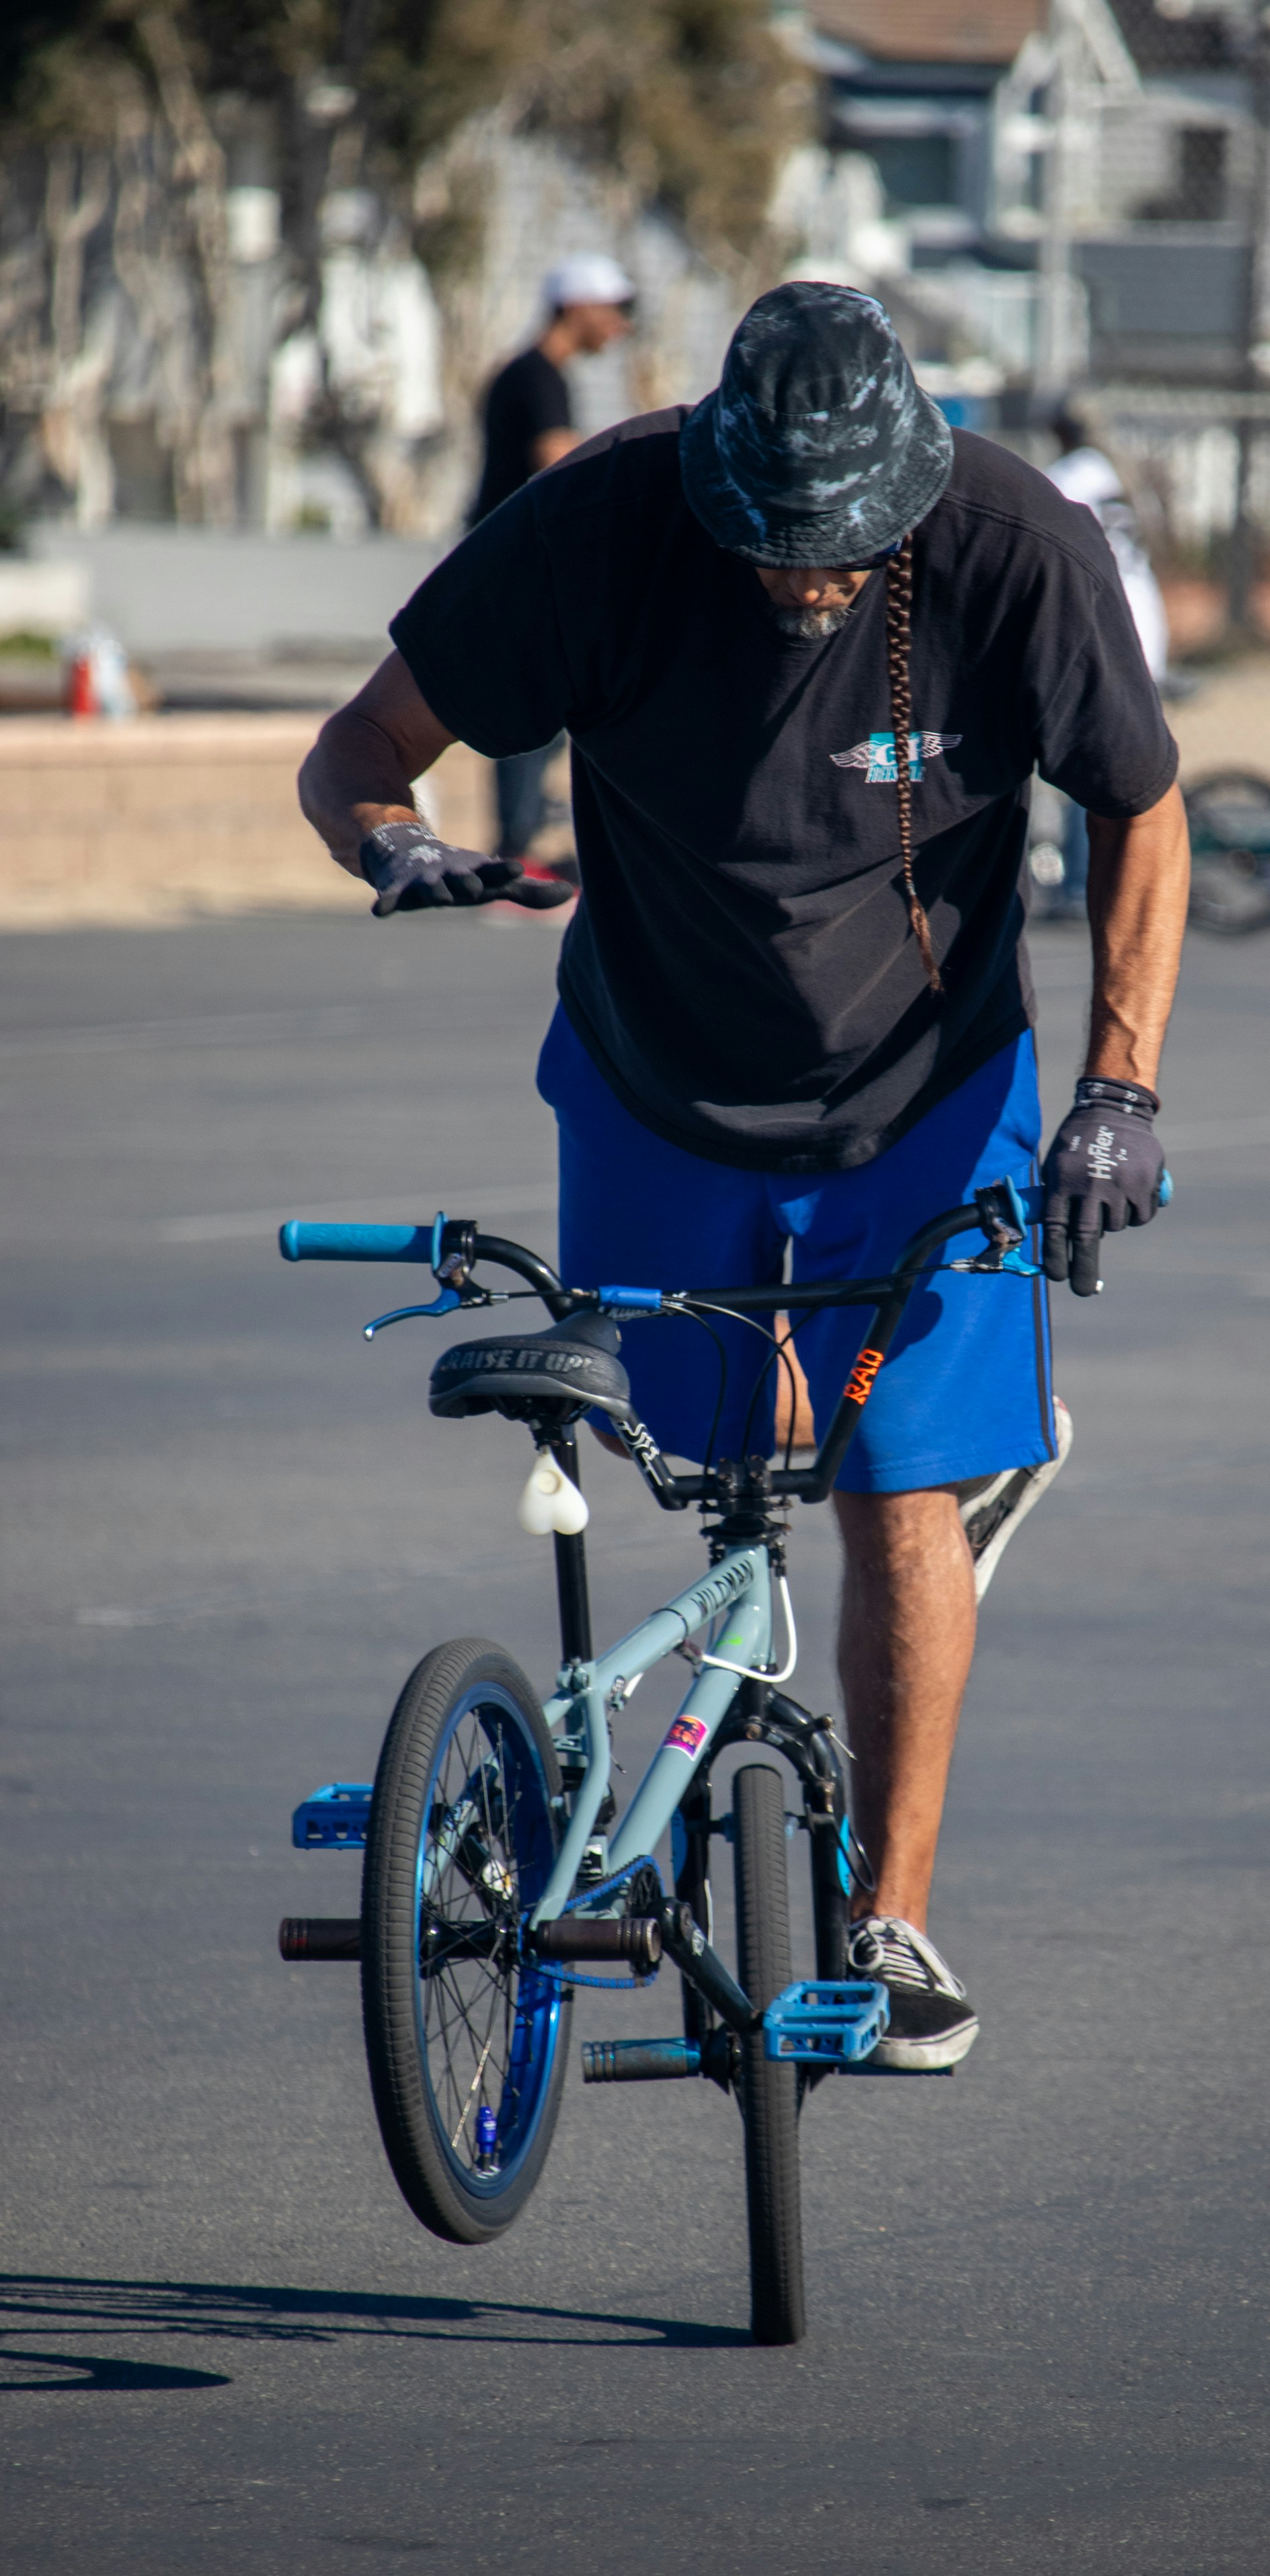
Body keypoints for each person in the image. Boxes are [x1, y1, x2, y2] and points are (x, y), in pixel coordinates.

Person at [298, 283, 1189, 2072]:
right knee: (710, 1469)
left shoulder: (1017, 546)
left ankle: (887, 1920)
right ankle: (895, 1470)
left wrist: (1120, 1089)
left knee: (891, 1489)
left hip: (927, 1093)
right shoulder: (601, 526)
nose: (804, 578)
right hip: (657, 1076)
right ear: (711, 478)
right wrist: (390, 845)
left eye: (839, 551)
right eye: (772, 545)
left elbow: (1138, 809)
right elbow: (357, 752)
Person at [469, 253, 636, 864]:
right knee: (529, 702)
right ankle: (517, 850)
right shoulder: (537, 375)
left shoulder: (536, 373)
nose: (621, 326)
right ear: (579, 308)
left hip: (517, 564)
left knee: (551, 703)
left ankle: (526, 836)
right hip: (516, 568)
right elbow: (557, 461)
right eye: (616, 310)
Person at [1043, 409, 1170, 917]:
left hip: (1108, 625)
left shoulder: (1068, 476)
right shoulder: (1114, 477)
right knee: (1128, 758)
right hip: (1147, 621)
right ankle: (1117, 884)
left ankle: (1079, 884)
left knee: (1086, 758)